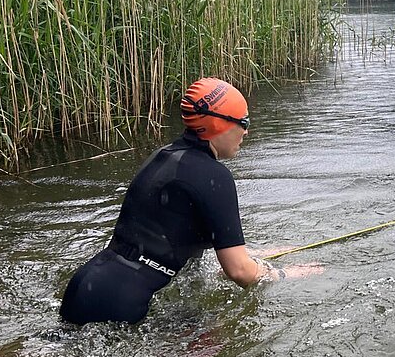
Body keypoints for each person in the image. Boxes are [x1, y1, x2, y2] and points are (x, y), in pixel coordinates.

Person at [60, 77, 312, 325]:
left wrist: (257, 256)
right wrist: (283, 274)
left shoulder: (164, 156)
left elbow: (168, 240)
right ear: (218, 124)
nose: (246, 131)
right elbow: (239, 271)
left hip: (88, 284)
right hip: (122, 304)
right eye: (243, 121)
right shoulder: (214, 176)